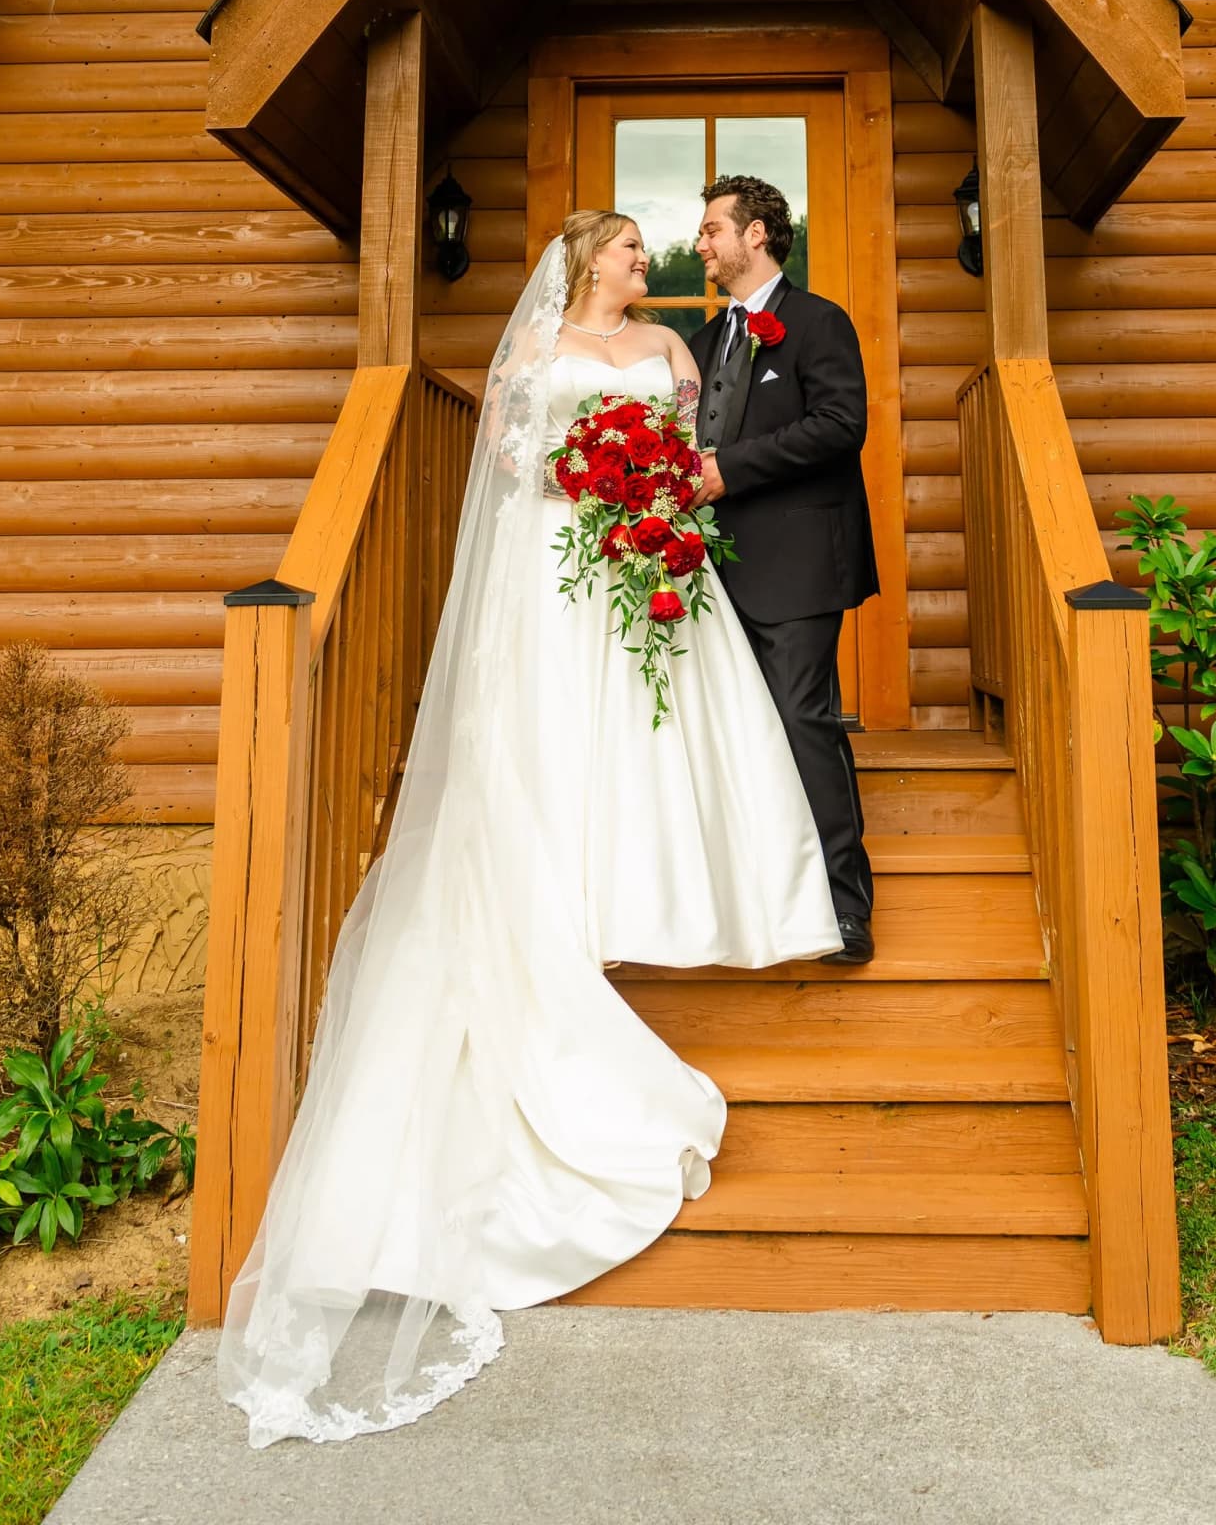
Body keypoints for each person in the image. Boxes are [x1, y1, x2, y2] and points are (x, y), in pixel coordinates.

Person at [218, 209, 840, 1447]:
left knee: (677, 742)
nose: (643, 264)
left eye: (647, 253)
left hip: (654, 560)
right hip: (563, 566)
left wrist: (650, 493)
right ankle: (563, 906)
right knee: (558, 741)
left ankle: (687, 899)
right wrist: (582, 480)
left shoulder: (673, 355)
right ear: (582, 261)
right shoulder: (540, 345)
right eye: (625, 251)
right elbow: (507, 465)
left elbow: (701, 448)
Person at [690, 175, 877, 962]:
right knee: (731, 733)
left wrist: (729, 469)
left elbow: (841, 426)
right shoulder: (699, 344)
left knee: (804, 722)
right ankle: (758, 900)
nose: (700, 245)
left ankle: (844, 909)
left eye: (711, 231)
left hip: (799, 562)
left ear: (756, 234)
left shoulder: (817, 322)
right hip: (706, 571)